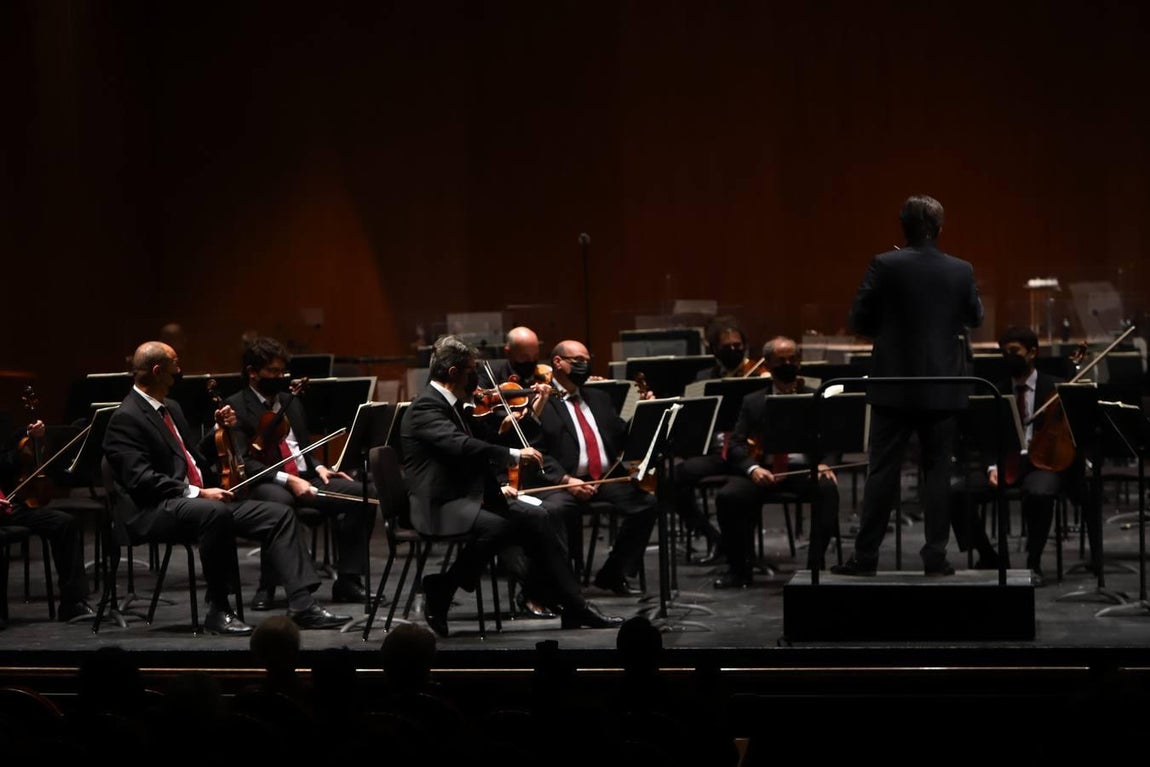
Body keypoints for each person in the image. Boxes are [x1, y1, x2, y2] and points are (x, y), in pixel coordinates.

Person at [102, 341, 351, 635]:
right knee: (213, 513)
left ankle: (302, 605)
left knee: (278, 514)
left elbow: (195, 458)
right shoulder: (126, 417)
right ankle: (219, 609)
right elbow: (141, 480)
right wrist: (198, 493)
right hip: (154, 508)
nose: (180, 371)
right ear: (158, 371)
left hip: (195, 502)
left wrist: (219, 431)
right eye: (175, 364)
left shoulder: (171, 408)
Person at [401, 335, 623, 637]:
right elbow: (463, 447)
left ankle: (573, 605)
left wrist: (526, 417)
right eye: (471, 370)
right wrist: (514, 455)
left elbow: (491, 439)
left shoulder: (456, 405)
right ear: (454, 373)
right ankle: (445, 586)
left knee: (540, 516)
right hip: (438, 503)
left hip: (467, 496)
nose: (476, 378)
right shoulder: (427, 407)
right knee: (501, 526)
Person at [833, 194, 984, 576]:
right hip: (942, 386)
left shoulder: (885, 264)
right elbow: (975, 317)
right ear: (939, 228)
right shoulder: (961, 269)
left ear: (903, 227)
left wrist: (887, 331)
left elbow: (858, 319)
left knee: (882, 471)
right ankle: (936, 556)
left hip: (894, 383)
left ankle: (866, 557)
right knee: (937, 473)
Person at [225, 336, 376, 610]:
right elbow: (244, 462)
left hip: (305, 476)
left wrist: (319, 467)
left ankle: (349, 580)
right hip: (267, 480)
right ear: (252, 372)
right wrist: (288, 479)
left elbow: (301, 448)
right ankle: (268, 585)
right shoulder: (235, 407)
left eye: (282, 371)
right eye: (272, 371)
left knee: (363, 495)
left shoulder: (291, 401)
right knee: (278, 504)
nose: (280, 377)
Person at [520, 339, 659, 597]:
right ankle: (559, 585)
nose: (585, 365)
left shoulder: (599, 398)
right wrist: (567, 480)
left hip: (602, 479)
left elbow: (621, 439)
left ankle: (613, 574)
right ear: (558, 362)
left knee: (646, 504)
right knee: (554, 511)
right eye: (578, 361)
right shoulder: (540, 400)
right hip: (561, 483)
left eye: (587, 360)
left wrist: (644, 413)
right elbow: (535, 449)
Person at [949, 326, 1087, 585]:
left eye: (1014, 351)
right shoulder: (996, 390)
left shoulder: (1054, 387)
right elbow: (987, 438)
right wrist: (991, 466)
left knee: (1040, 493)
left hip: (1042, 463)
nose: (1008, 357)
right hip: (1006, 463)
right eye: (1004, 353)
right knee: (956, 494)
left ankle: (1034, 562)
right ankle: (989, 556)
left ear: (1032, 352)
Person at [712, 336, 841, 587]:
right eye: (781, 360)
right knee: (727, 497)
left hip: (803, 470)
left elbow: (834, 439)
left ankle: (815, 568)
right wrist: (752, 468)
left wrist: (826, 463)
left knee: (827, 490)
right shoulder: (752, 401)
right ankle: (738, 570)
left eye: (793, 359)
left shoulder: (815, 398)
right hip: (764, 469)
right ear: (768, 364)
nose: (788, 364)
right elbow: (735, 444)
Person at [673, 315, 764, 563]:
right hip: (717, 453)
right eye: (727, 347)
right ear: (714, 349)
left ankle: (744, 551)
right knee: (673, 478)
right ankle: (713, 537)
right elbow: (690, 416)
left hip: (751, 453)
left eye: (738, 345)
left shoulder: (759, 375)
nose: (733, 350)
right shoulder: (703, 378)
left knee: (739, 492)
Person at [0, 413, 92, 625]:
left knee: (64, 523)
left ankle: (72, 604)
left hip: (7, 504)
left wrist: (29, 437)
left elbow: (6, 462)